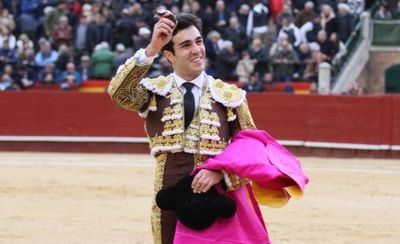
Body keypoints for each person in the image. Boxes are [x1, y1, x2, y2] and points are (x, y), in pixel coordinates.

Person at [108, 11, 307, 244]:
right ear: (169, 55)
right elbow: (119, 92)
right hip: (169, 201)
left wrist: (220, 173)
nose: (196, 50)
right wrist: (151, 49)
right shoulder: (154, 92)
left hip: (216, 198)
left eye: (198, 41)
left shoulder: (229, 95)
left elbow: (252, 148)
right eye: (185, 45)